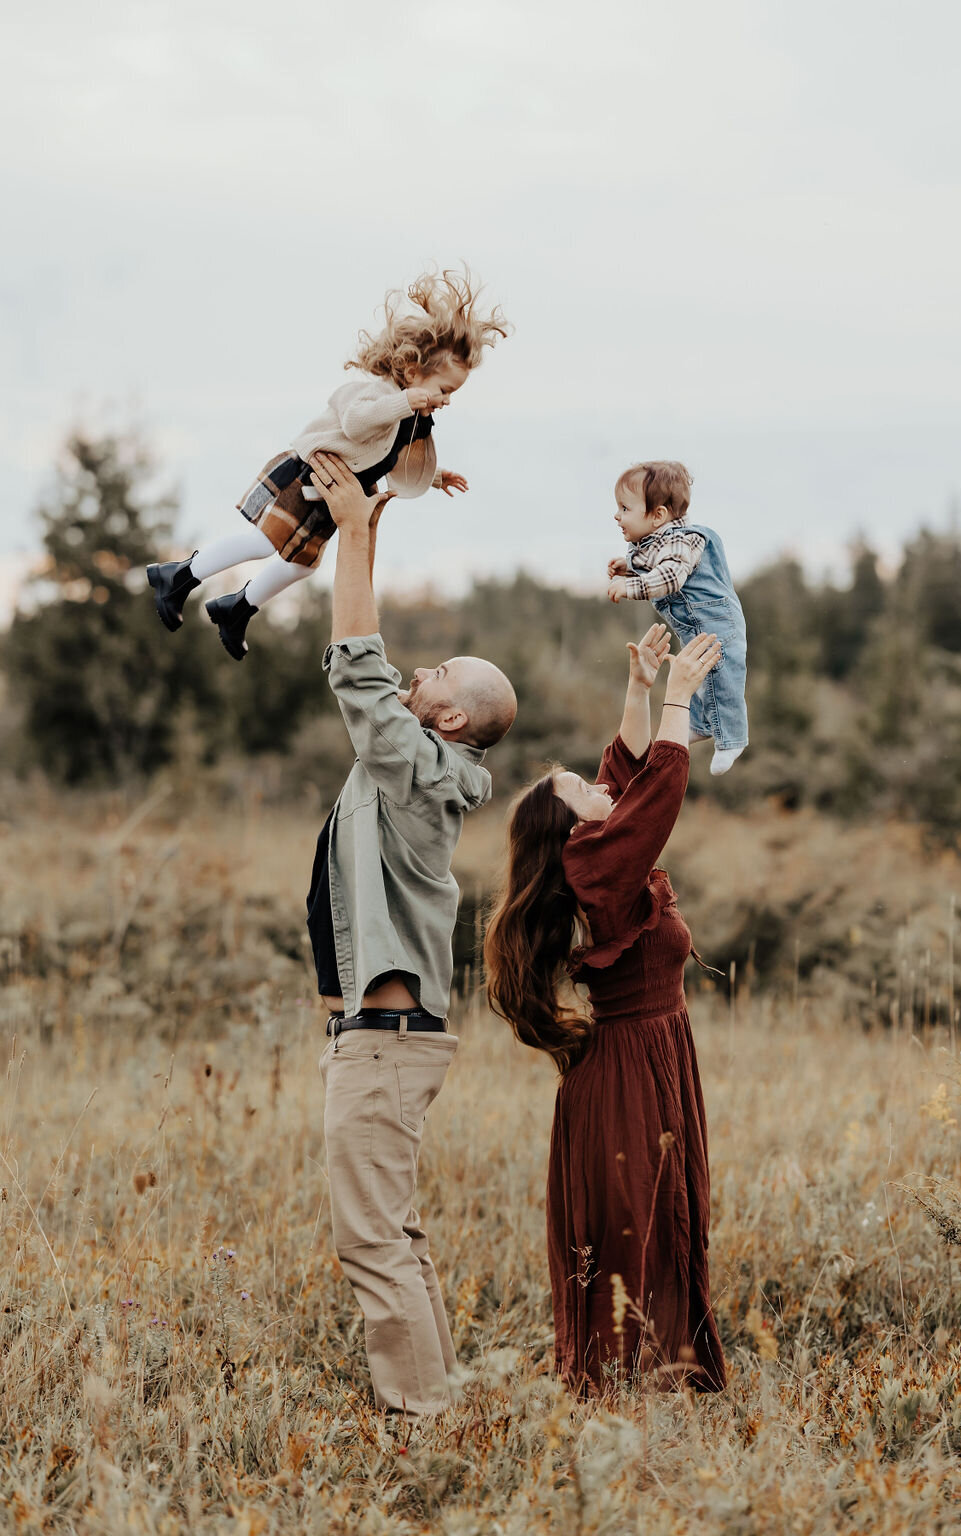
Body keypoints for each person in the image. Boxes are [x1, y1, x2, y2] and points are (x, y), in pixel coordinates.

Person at [305, 452, 517, 1416]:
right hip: (382, 1040)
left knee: (374, 1243)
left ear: (452, 716)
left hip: (386, 1049)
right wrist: (371, 529)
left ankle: (424, 1425)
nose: (415, 673)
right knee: (398, 1234)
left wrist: (353, 538)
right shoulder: (414, 767)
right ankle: (442, 1408)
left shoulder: (416, 770)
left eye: (432, 675)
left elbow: (357, 666)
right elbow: (368, 669)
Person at [485, 623, 727, 1396]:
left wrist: (639, 687)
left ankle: (653, 1383)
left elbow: (622, 783)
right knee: (636, 1229)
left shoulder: (592, 865)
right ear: (573, 833)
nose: (602, 789)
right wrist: (679, 700)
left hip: (645, 1061)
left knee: (662, 1219)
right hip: (625, 1075)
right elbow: (651, 796)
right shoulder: (597, 873)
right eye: (584, 794)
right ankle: (627, 1389)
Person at [146, 267, 509, 659]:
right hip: (305, 473)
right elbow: (356, 424)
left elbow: (381, 459)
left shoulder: (405, 418)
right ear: (412, 372)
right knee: (261, 543)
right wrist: (404, 402)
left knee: (302, 566)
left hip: (329, 496)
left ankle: (235, 608)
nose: (447, 400)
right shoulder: (373, 393)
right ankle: (178, 576)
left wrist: (434, 477)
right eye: (445, 389)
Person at [606, 460, 748, 774]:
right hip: (696, 623)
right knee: (696, 676)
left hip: (717, 621)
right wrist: (629, 568)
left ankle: (732, 739)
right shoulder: (660, 542)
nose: (617, 516)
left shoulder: (685, 541)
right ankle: (700, 724)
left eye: (625, 508)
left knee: (723, 677)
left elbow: (670, 578)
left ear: (658, 515)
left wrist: (631, 585)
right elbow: (657, 565)